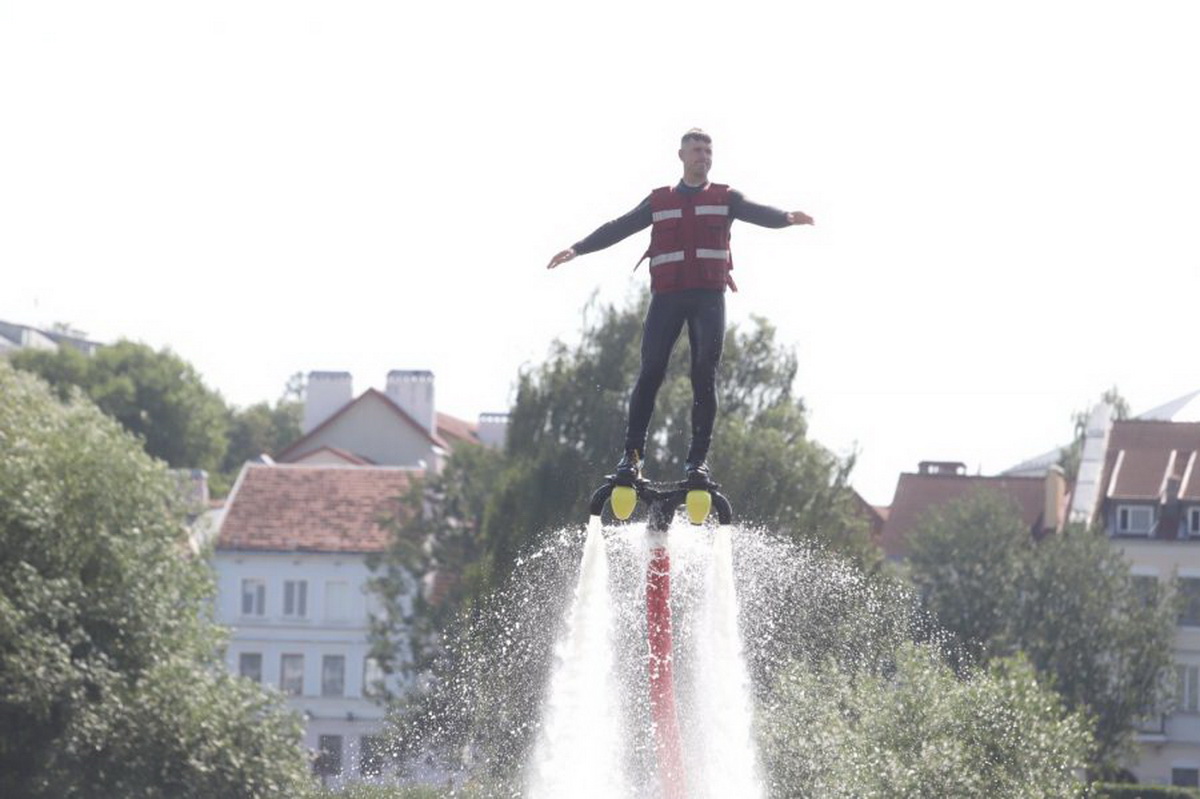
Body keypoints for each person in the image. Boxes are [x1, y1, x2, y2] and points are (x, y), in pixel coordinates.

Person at [546, 128, 814, 487]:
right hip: (667, 298)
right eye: (696, 150)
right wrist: (577, 249)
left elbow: (756, 212)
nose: (703, 155)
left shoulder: (726, 197)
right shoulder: (660, 200)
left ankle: (697, 462)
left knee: (704, 373)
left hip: (708, 298)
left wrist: (786, 217)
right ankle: (632, 458)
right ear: (681, 156)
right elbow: (620, 227)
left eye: (708, 150)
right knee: (651, 370)